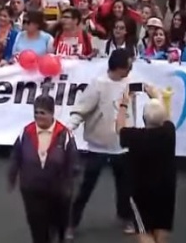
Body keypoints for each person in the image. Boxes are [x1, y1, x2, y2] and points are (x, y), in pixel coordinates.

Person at [67, 48, 134, 238]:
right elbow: (81, 109)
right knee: (85, 187)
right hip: (98, 146)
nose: (130, 70)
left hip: (122, 146)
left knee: (125, 187)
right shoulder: (98, 84)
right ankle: (71, 222)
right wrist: (68, 128)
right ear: (118, 67)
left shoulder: (130, 83)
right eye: (127, 67)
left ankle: (126, 216)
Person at [8, 95, 78, 243]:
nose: (39, 116)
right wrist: (12, 178)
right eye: (36, 113)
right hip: (31, 187)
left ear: (52, 113)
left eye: (43, 113)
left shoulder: (64, 134)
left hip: (57, 190)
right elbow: (16, 156)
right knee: (36, 223)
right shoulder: (26, 132)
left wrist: (68, 186)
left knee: (57, 223)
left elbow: (72, 162)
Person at [115, 88, 177, 243]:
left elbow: (119, 128)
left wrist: (123, 105)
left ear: (143, 117)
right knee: (161, 229)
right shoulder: (169, 132)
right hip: (166, 190)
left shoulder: (134, 136)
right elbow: (167, 116)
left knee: (143, 230)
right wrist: (156, 95)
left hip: (140, 191)